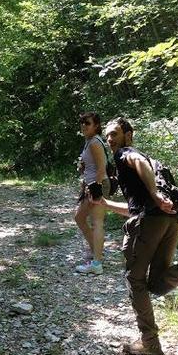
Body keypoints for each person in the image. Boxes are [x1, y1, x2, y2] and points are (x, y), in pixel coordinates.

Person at [92, 116, 178, 355]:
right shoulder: (153, 162)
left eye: (115, 134)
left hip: (149, 223)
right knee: (156, 281)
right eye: (107, 135)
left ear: (129, 135)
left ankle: (150, 343)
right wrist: (105, 203)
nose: (110, 139)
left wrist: (154, 194)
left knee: (135, 280)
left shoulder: (126, 154)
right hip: (168, 221)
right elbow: (136, 206)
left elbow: (136, 161)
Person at [74, 112, 110, 275]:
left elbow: (102, 168)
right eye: (82, 123)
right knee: (79, 217)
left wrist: (94, 188)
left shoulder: (95, 142)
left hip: (98, 185)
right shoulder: (89, 141)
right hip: (90, 185)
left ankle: (96, 263)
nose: (83, 126)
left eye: (87, 123)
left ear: (96, 126)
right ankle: (97, 252)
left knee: (97, 222)